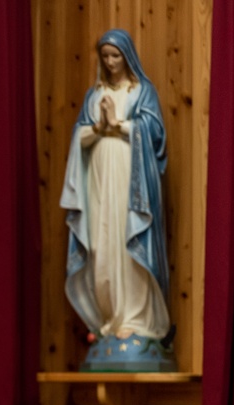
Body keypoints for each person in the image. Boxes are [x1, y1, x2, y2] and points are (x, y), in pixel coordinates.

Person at [60, 29, 172, 368]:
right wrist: (98, 128)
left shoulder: (141, 92)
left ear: (127, 56)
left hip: (130, 177)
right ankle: (109, 318)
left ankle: (136, 320)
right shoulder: (93, 95)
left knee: (128, 242)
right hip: (98, 177)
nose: (110, 63)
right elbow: (79, 136)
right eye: (105, 56)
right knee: (103, 244)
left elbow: (155, 136)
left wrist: (118, 124)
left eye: (115, 56)